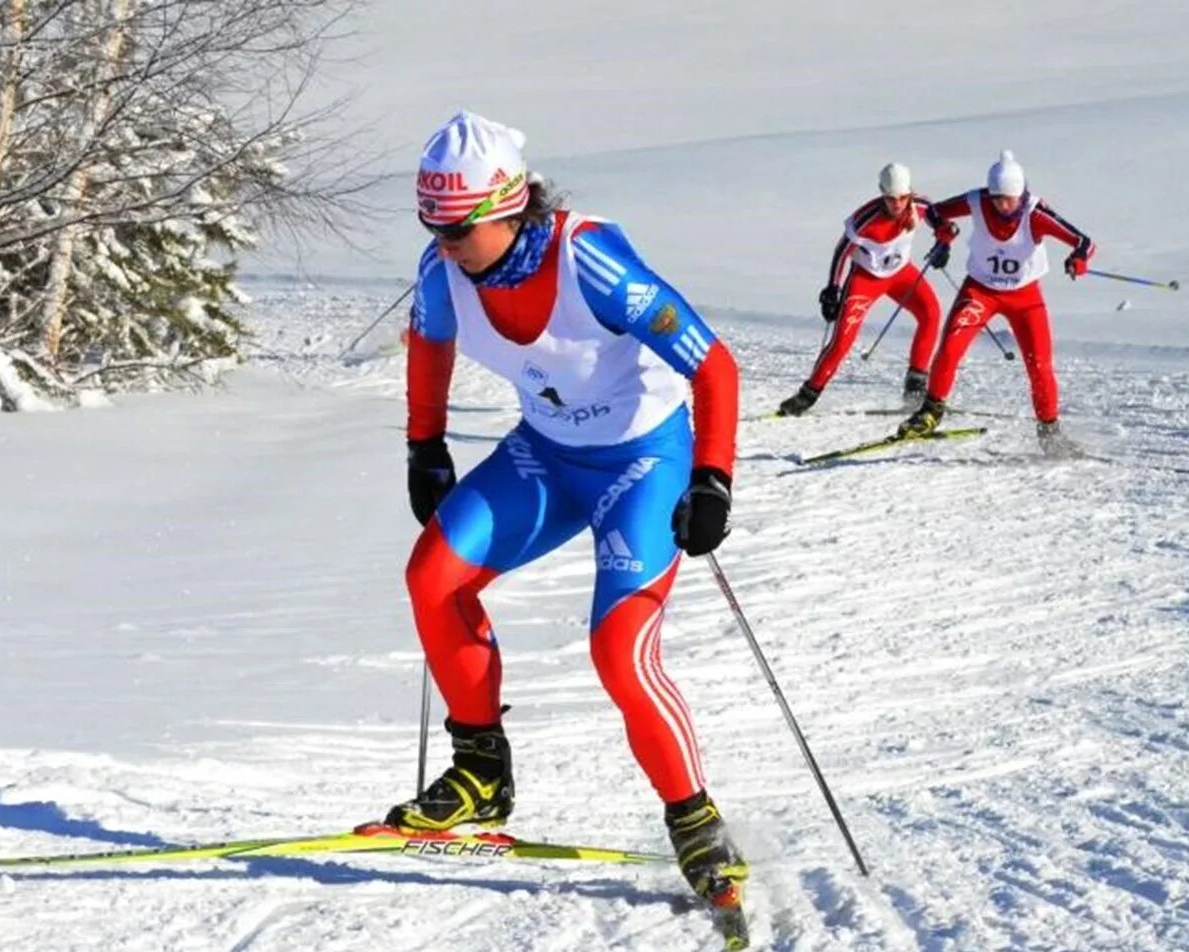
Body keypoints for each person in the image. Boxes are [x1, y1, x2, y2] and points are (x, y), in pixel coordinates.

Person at [391, 111, 746, 906]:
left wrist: (713, 479)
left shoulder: (590, 260)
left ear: (508, 208)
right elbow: (429, 344)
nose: (443, 245)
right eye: (431, 226)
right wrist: (425, 444)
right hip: (547, 455)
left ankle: (695, 823)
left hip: (643, 462)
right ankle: (481, 768)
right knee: (433, 577)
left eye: (456, 229)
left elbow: (715, 366)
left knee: (620, 652)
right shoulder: (442, 270)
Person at [899, 150, 1095, 451]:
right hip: (980, 291)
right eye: (997, 198)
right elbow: (936, 212)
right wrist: (943, 234)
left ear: (1021, 193)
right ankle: (931, 412)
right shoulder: (977, 201)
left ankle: (1050, 432)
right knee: (950, 347)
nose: (1003, 205)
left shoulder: (1035, 213)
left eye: (1010, 199)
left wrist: (1078, 259)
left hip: (1025, 297)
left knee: (1039, 365)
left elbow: (1084, 242)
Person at [778, 163, 946, 416]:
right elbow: (841, 251)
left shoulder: (920, 206)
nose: (897, 204)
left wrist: (944, 242)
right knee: (842, 341)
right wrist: (833, 289)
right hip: (866, 279)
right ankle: (807, 395)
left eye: (902, 197)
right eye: (890, 198)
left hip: (901, 274)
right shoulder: (865, 218)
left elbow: (939, 221)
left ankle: (915, 387)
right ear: (882, 194)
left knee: (931, 313)